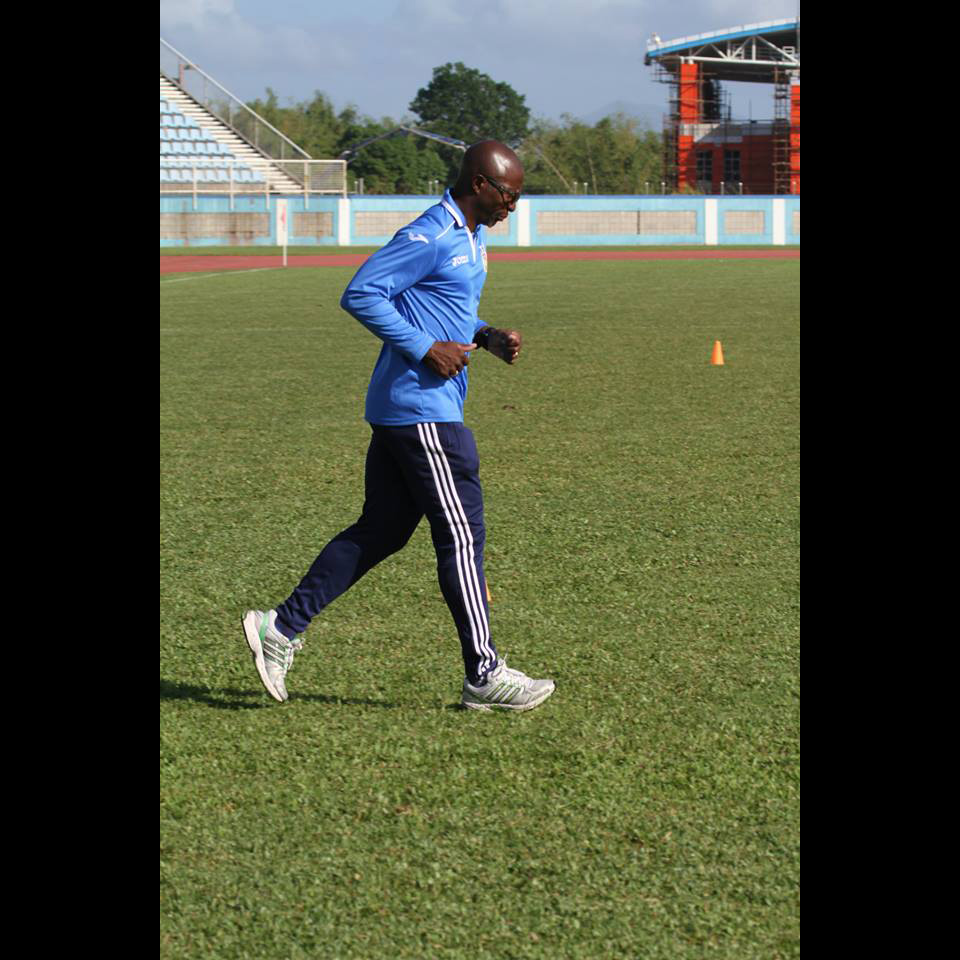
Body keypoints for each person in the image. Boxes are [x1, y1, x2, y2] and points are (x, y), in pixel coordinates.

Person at [241, 140, 555, 712]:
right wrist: (425, 348)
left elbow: (444, 307)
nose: (513, 206)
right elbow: (361, 292)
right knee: (462, 536)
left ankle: (280, 627)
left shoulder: (472, 235)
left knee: (383, 529)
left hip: (408, 411)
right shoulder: (431, 232)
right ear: (480, 185)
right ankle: (484, 674)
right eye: (509, 195)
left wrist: (484, 335)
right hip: (423, 412)